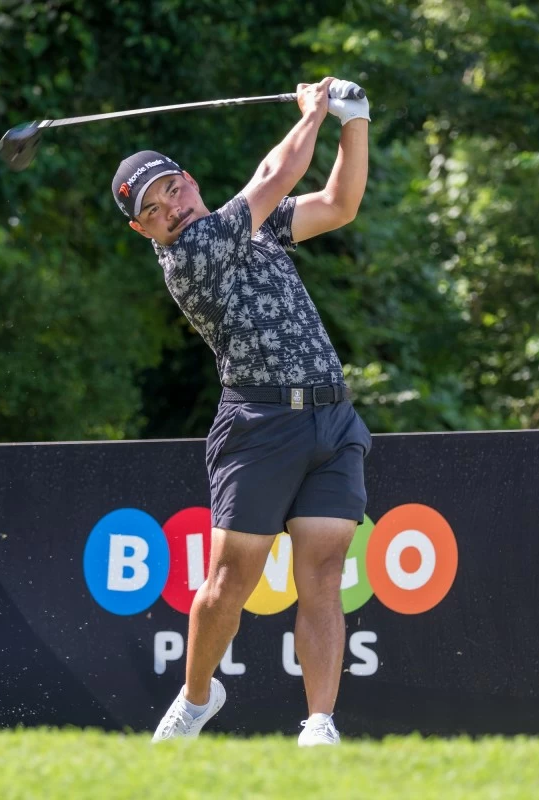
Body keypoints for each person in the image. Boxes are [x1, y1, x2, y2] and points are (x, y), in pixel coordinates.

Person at [110, 77, 372, 746]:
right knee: (228, 585)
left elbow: (338, 204)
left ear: (190, 181)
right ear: (144, 230)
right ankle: (197, 698)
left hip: (330, 421)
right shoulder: (189, 255)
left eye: (171, 188)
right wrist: (314, 110)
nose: (170, 206)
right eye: (153, 207)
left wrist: (354, 120)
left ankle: (319, 726)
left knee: (322, 573)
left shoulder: (253, 230)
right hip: (259, 426)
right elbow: (276, 172)